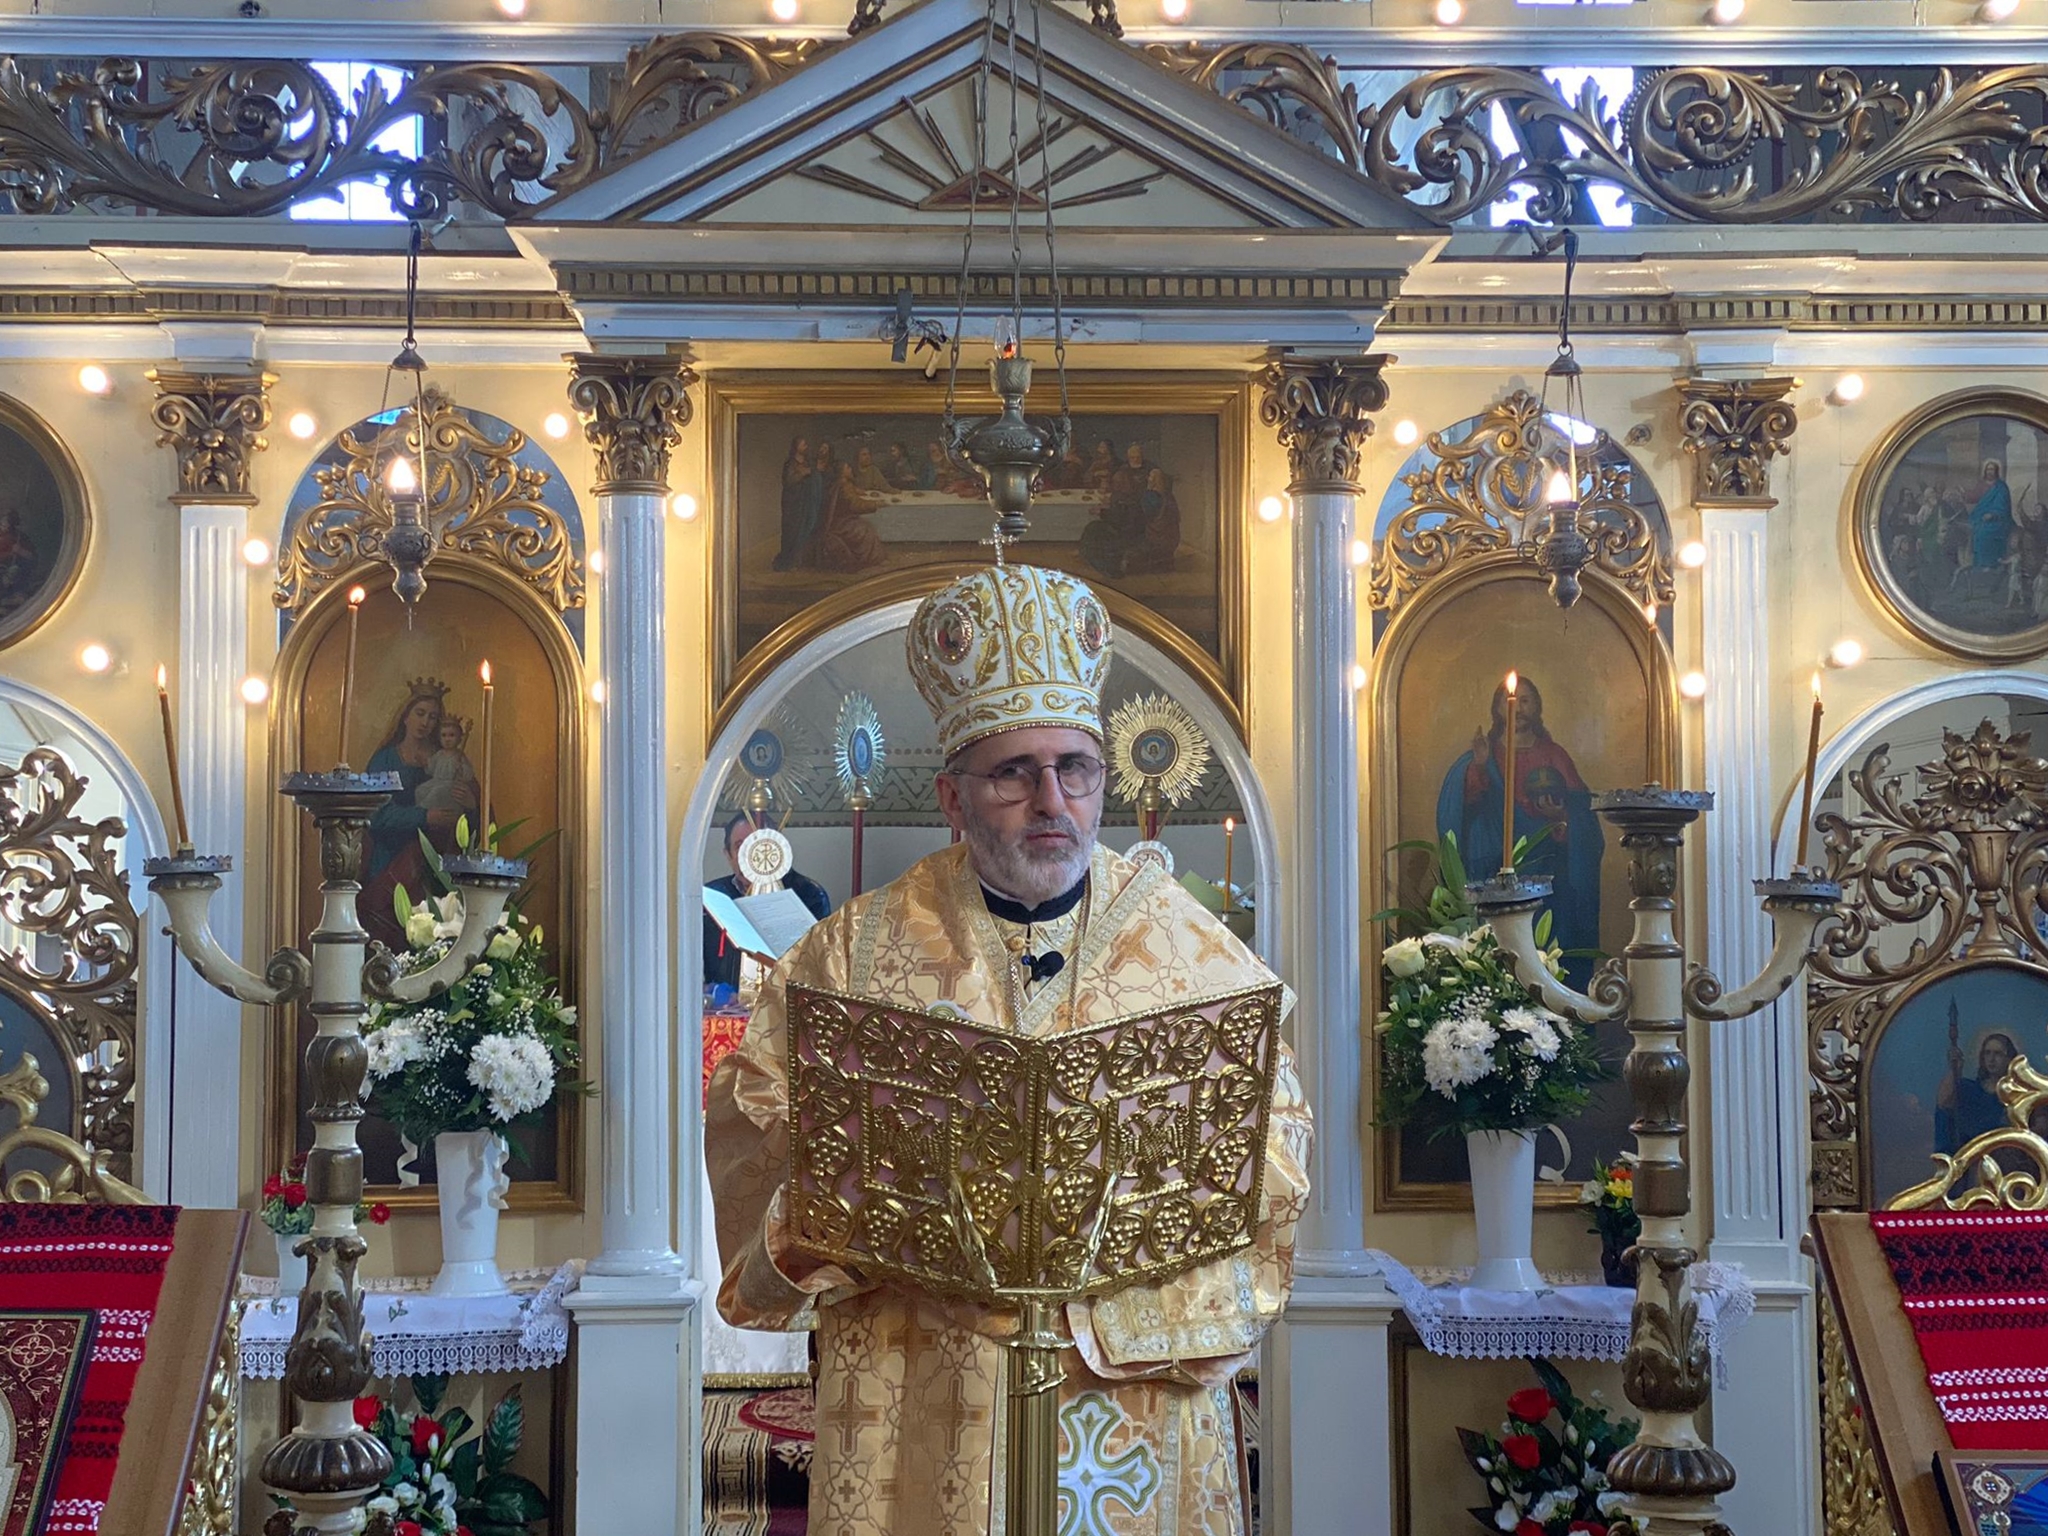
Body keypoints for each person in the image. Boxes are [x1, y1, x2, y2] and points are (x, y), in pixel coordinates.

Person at [707, 563, 1310, 1536]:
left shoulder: (1196, 956)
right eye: (1013, 773)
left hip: (1124, 1390)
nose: (1050, 800)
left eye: (1075, 769)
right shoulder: (851, 954)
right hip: (924, 1380)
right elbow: (753, 1113)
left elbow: (1273, 1145)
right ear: (953, 796)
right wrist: (859, 1197)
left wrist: (1134, 1201)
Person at [1435, 675, 1604, 974]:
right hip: (1494, 867)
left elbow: (1581, 814)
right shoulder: (1484, 755)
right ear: (1497, 708)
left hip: (1548, 874)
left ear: (1537, 706)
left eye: (1526, 701)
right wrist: (1479, 766)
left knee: (1550, 948)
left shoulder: (1553, 755)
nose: (1519, 708)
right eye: (1512, 700)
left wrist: (1560, 816)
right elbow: (1462, 809)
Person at [361, 679, 477, 951]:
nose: (426, 722)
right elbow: (376, 815)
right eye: (420, 713)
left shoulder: (449, 760)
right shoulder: (385, 760)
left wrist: (471, 803)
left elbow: (472, 816)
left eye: (433, 717)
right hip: (391, 859)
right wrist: (425, 817)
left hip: (435, 862)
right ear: (405, 716)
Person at [702, 810, 832, 993]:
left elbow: (819, 964)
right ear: (728, 854)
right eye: (740, 846)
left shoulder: (809, 895)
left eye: (759, 844)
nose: (750, 854)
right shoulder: (712, 896)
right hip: (725, 1003)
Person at [1936, 1005, 2018, 1153]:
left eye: (1998, 1054)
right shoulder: (1969, 1089)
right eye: (1987, 1053)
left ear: (2009, 1059)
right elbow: (1943, 1104)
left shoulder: (2017, 1094)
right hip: (1971, 1155)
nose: (1991, 1059)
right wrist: (1956, 1069)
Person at [415, 713, 478, 813]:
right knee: (420, 790)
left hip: (450, 785)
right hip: (437, 781)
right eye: (444, 735)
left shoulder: (459, 756)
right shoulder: (439, 754)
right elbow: (431, 769)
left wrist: (461, 768)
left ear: (459, 739)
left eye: (451, 735)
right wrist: (425, 763)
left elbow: (468, 774)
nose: (447, 739)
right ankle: (419, 810)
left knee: (436, 792)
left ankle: (423, 810)